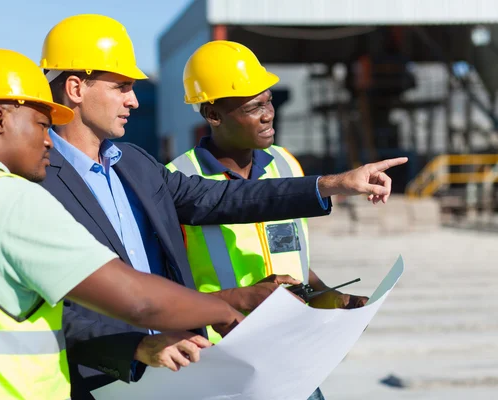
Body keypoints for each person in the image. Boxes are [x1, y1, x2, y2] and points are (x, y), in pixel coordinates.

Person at [38, 14, 407, 400]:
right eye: (122, 87)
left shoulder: (134, 164)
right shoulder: (36, 181)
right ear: (77, 88)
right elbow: (50, 306)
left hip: (189, 366)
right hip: (109, 380)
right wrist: (136, 347)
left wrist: (336, 185)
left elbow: (223, 198)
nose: (134, 100)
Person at [0, 48, 247, 400]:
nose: (49, 140)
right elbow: (137, 301)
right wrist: (224, 307)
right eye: (42, 125)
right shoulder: (5, 197)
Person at [168, 40, 372, 400]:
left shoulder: (285, 165)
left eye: (268, 101)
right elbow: (166, 289)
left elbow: (293, 256)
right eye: (253, 107)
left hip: (294, 353)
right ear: (213, 115)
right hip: (227, 362)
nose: (268, 114)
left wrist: (330, 299)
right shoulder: (179, 180)